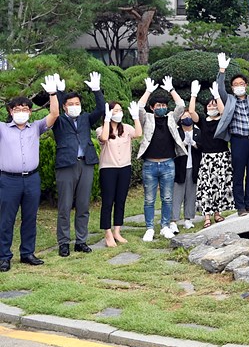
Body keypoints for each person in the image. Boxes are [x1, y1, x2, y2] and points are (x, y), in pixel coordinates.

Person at [0, 76, 60, 272]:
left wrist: (52, 94)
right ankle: (4, 256)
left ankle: (27, 253)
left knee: (30, 217)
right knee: (6, 219)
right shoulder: (2, 128)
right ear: (10, 111)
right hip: (8, 180)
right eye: (17, 109)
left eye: (25, 109)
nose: (21, 112)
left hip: (32, 179)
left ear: (30, 111)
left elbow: (54, 114)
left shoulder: (35, 127)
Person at [53, 71, 106, 256]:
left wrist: (97, 90)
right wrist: (58, 93)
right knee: (65, 206)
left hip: (86, 164)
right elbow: (54, 111)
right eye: (70, 104)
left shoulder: (85, 119)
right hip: (66, 165)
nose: (74, 106)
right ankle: (64, 242)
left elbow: (101, 110)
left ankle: (81, 241)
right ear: (65, 107)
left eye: (77, 104)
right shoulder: (58, 121)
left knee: (83, 205)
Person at [214, 54, 249, 217]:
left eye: (241, 84)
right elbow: (220, 88)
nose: (239, 86)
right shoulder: (229, 99)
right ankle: (240, 206)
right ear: (232, 88)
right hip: (238, 141)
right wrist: (222, 70)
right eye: (236, 84)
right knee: (238, 174)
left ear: (245, 85)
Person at [137, 76, 188, 241]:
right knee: (149, 199)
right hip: (150, 165)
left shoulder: (171, 118)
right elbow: (139, 108)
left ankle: (165, 226)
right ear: (152, 108)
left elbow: (181, 105)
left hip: (168, 164)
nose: (161, 108)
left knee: (167, 198)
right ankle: (149, 228)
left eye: (164, 106)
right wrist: (148, 91)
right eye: (158, 106)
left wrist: (171, 90)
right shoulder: (147, 119)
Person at [96, 100, 142, 247]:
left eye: (120, 110)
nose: (119, 113)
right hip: (108, 169)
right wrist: (107, 120)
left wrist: (135, 116)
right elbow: (103, 138)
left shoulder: (126, 128)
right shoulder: (101, 129)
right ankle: (107, 233)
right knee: (108, 201)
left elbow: (139, 133)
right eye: (115, 110)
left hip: (125, 168)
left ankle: (117, 230)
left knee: (120, 200)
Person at [196, 85, 232, 228]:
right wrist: (193, 95)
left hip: (222, 157)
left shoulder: (222, 121)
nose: (212, 107)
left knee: (220, 186)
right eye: (209, 105)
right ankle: (207, 217)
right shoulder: (203, 121)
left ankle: (217, 214)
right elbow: (191, 112)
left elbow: (224, 112)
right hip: (207, 158)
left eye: (214, 105)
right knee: (206, 186)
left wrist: (217, 96)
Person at [170, 81, 203, 231]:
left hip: (194, 165)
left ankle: (188, 218)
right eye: (184, 116)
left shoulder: (197, 131)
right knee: (177, 194)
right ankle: (173, 220)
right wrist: (183, 143)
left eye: (189, 115)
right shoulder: (177, 131)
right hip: (180, 166)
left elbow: (202, 146)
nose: (187, 118)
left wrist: (194, 144)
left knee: (191, 193)